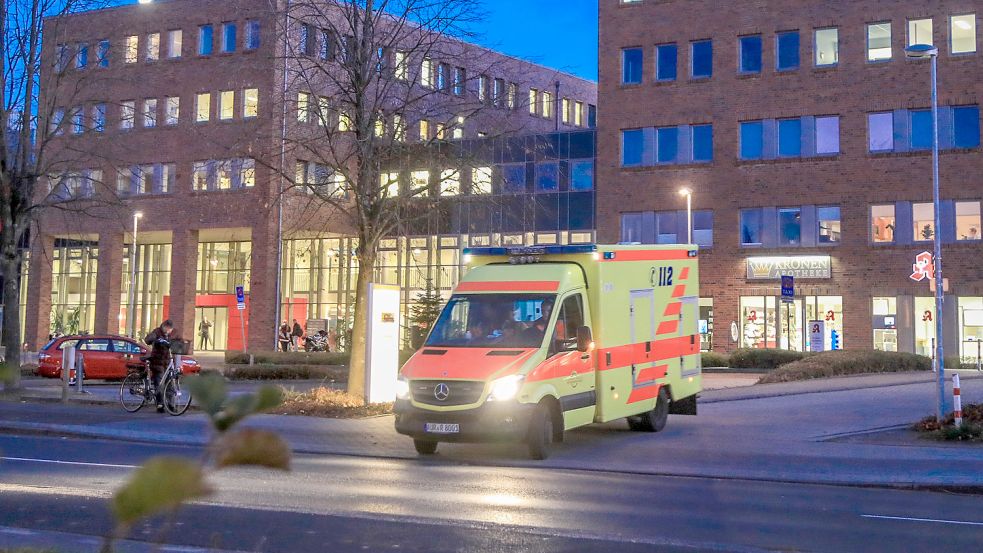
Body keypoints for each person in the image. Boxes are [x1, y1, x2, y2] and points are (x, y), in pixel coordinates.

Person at [144, 320, 174, 413]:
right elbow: (148, 340)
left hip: (167, 362)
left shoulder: (170, 335)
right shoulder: (157, 332)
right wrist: (155, 340)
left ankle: (171, 404)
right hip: (158, 362)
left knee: (170, 384)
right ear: (164, 326)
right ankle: (160, 404)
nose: (169, 331)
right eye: (168, 329)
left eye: (171, 330)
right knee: (159, 384)